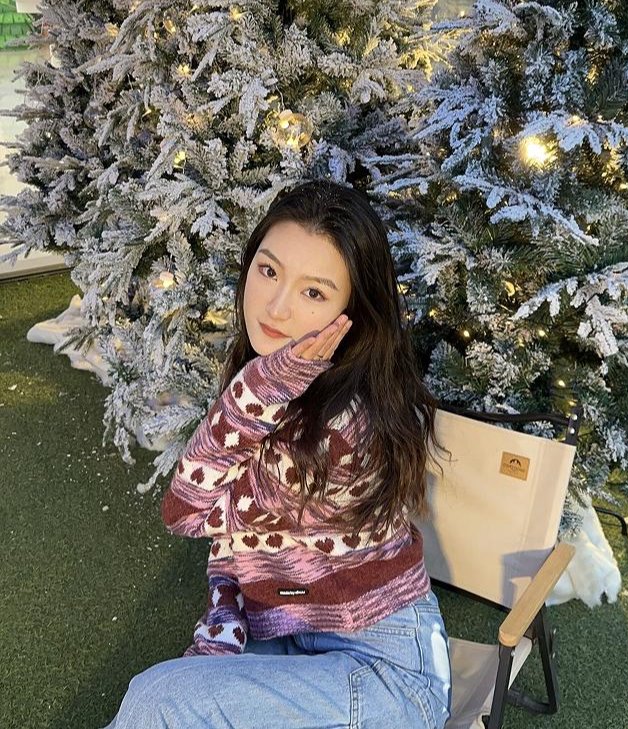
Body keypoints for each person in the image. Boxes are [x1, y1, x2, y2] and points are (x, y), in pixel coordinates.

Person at [102, 180, 453, 728]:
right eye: (268, 271)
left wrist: (259, 385)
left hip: (386, 676)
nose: (277, 305)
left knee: (159, 699)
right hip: (292, 633)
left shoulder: (341, 426)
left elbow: (185, 511)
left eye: (314, 293)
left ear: (352, 315)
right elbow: (232, 550)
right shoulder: (282, 383)